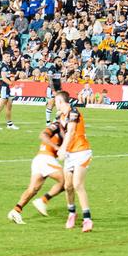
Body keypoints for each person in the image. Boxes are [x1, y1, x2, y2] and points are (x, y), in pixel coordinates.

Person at [7, 121, 66, 224]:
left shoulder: (66, 129)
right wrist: (56, 148)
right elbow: (43, 135)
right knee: (67, 181)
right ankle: (43, 200)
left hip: (40, 159)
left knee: (33, 189)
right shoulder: (57, 125)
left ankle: (16, 211)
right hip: (46, 158)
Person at [55, 91, 92, 232]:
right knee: (68, 186)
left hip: (81, 152)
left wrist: (63, 149)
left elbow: (71, 131)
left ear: (60, 101)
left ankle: (87, 219)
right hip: (70, 154)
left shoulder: (73, 112)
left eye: (56, 101)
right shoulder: (61, 116)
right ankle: (72, 213)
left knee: (77, 185)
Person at [0, 66, 19, 130]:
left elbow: (7, 77)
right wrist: (13, 84)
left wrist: (11, 79)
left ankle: (9, 124)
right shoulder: (3, 66)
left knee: (9, 106)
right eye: (7, 56)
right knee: (0, 106)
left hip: (6, 88)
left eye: (9, 56)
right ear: (4, 56)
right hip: (3, 88)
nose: (9, 57)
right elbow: (3, 78)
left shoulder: (6, 66)